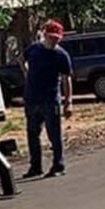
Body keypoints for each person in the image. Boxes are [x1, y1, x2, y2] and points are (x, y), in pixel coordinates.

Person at [22, 19, 73, 179]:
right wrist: (27, 75)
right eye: (51, 37)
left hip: (51, 99)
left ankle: (58, 164)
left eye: (57, 38)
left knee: (54, 133)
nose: (54, 40)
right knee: (32, 133)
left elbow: (66, 78)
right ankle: (35, 166)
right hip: (32, 98)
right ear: (45, 35)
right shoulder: (34, 49)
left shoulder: (61, 55)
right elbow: (21, 60)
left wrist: (68, 102)